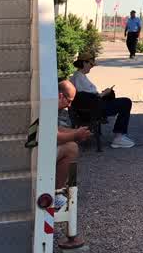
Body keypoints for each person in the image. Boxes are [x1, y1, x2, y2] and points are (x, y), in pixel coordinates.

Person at [70, 56, 136, 148]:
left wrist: (103, 94)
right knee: (126, 102)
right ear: (84, 63)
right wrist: (104, 93)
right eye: (91, 64)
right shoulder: (79, 78)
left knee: (122, 101)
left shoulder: (77, 76)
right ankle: (119, 137)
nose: (91, 67)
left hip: (89, 108)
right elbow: (88, 97)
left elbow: (88, 96)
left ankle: (120, 135)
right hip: (93, 110)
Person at [56, 80, 90, 250]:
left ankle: (56, 190)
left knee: (71, 143)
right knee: (71, 148)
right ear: (60, 95)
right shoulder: (47, 107)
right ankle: (55, 192)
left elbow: (60, 130)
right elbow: (54, 135)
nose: (69, 106)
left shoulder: (55, 106)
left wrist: (76, 132)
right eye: (68, 101)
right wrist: (76, 135)